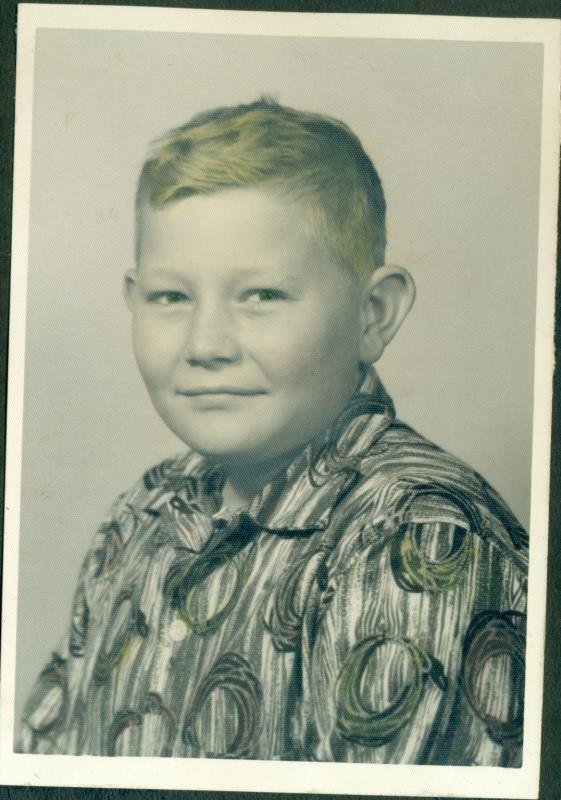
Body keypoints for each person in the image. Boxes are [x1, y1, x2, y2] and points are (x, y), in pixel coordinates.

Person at [19, 98, 527, 765]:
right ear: (133, 300)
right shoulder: (142, 512)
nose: (205, 345)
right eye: (171, 297)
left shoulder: (421, 541)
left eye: (261, 295)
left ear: (374, 314)